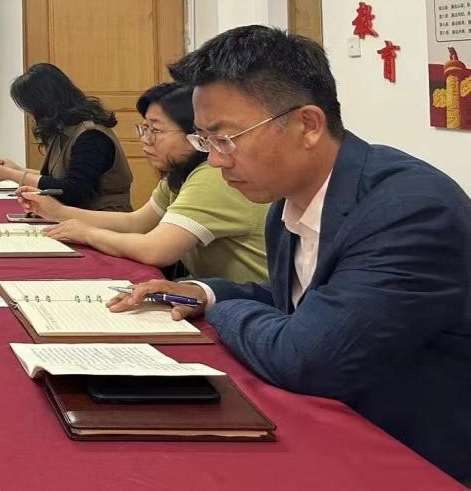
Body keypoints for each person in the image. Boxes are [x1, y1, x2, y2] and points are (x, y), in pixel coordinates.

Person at [108, 26, 471, 483]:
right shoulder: (288, 199)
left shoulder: (410, 210)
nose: (215, 160)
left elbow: (305, 356)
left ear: (308, 125)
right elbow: (302, 305)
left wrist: (221, 311)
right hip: (332, 426)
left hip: (410, 457)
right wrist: (202, 292)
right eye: (204, 141)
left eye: (226, 138)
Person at [19, 82, 267, 281]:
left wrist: (88, 234)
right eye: (144, 128)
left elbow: (155, 250)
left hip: (254, 302)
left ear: (197, 133)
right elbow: (137, 222)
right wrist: (57, 211)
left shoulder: (212, 177)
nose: (146, 140)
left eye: (156, 130)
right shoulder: (179, 174)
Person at [0, 63, 132, 211]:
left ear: (43, 105)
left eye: (29, 109)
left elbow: (72, 191)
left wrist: (10, 174)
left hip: (104, 218)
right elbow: (56, 179)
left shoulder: (91, 136)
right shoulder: (65, 129)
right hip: (78, 215)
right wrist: (16, 170)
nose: (30, 116)